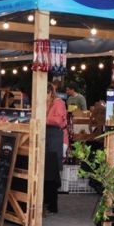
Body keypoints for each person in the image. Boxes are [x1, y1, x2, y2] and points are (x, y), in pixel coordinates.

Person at [45, 84, 67, 214]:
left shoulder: (59, 103)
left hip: (56, 137)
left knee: (52, 171)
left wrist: (44, 118)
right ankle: (46, 201)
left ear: (49, 92)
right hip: (47, 136)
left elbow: (59, 121)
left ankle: (52, 204)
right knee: (46, 169)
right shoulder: (44, 102)